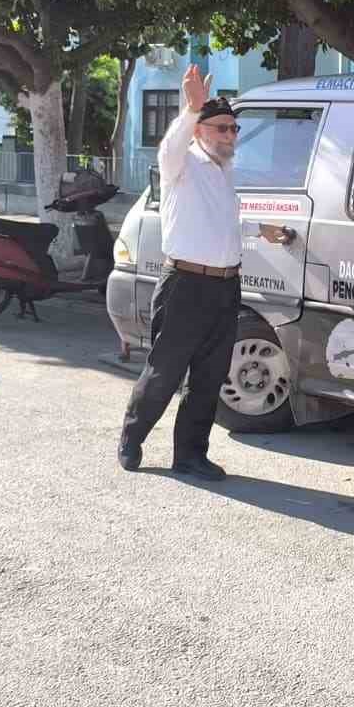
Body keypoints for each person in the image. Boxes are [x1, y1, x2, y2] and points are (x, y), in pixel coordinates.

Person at [117, 66, 280, 479]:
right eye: (222, 128)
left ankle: (189, 454)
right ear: (200, 131)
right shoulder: (181, 164)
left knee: (208, 377)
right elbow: (169, 144)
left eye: (233, 129)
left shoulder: (224, 173)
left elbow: (221, 223)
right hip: (185, 285)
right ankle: (131, 439)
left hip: (224, 287)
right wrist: (190, 107)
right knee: (165, 372)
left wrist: (261, 229)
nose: (230, 135)